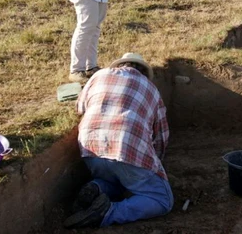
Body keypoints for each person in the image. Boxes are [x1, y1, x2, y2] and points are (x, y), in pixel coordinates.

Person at [64, 53, 173, 228]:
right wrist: (155, 165)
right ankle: (107, 213)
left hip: (90, 148)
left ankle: (96, 188)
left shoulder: (98, 76)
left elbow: (80, 107)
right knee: (162, 199)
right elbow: (161, 136)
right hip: (125, 146)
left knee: (117, 180)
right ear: (144, 72)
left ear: (120, 65)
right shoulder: (151, 89)